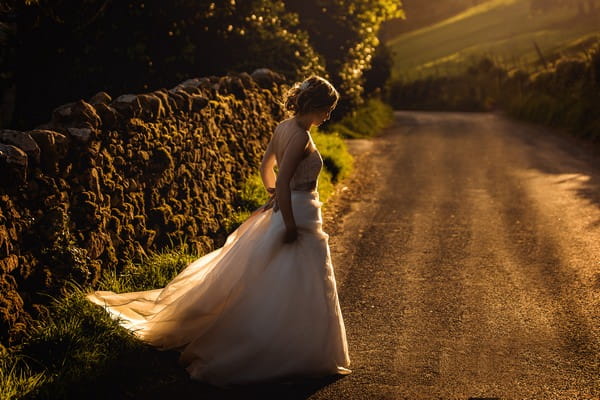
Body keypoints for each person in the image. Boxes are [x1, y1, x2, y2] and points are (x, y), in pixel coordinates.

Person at [86, 75, 352, 387]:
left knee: (274, 279)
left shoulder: (284, 127)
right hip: (298, 214)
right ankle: (289, 350)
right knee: (299, 281)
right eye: (328, 109)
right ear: (316, 105)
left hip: (288, 209)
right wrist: (290, 222)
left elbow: (267, 165)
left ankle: (290, 343)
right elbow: (282, 179)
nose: (328, 116)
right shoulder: (301, 137)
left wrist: (273, 196)